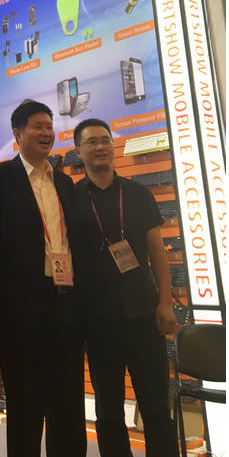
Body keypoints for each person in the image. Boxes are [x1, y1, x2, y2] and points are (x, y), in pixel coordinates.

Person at [0, 100, 86, 457]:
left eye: (50, 126)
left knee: (68, 401)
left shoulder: (64, 183)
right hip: (20, 310)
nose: (46, 133)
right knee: (25, 403)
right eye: (38, 126)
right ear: (17, 134)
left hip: (66, 302)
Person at [71, 118, 178, 456]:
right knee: (108, 411)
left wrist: (165, 303)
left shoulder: (137, 193)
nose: (100, 146)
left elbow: (157, 252)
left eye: (105, 140)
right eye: (91, 141)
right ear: (78, 151)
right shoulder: (71, 199)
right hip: (97, 320)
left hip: (143, 314)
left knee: (156, 406)